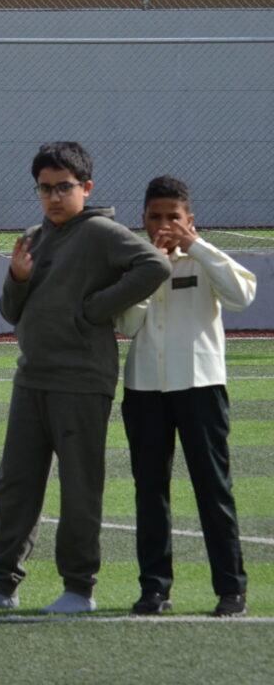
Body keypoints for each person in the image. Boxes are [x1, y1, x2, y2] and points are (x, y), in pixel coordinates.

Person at [0, 142, 171, 614]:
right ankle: (3, 586)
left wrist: (94, 309)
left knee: (79, 488)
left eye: (63, 187)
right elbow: (10, 311)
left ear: (86, 187)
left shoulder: (100, 232)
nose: (54, 197)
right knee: (14, 486)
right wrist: (17, 278)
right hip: (31, 377)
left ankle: (78, 589)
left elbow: (155, 264)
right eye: (45, 188)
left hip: (81, 380)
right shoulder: (33, 237)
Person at [117, 175, 256, 618]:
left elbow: (242, 295)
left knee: (213, 488)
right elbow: (126, 324)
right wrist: (150, 270)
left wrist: (196, 246)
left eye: (173, 217)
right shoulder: (135, 263)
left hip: (200, 387)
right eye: (155, 217)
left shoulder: (203, 258)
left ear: (189, 219)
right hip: (144, 389)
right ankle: (154, 589)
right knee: (149, 491)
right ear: (142, 220)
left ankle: (231, 588)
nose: (164, 226)